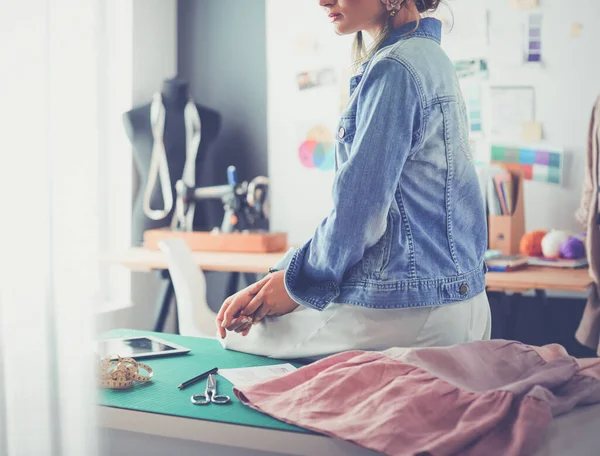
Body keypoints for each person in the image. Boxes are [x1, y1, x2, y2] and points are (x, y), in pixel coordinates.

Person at [215, 0, 492, 359]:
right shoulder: (432, 58)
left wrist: (293, 282)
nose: (323, 1)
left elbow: (358, 215)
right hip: (466, 306)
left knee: (236, 339)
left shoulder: (394, 69)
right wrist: (284, 275)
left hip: (412, 312)